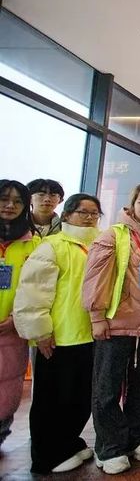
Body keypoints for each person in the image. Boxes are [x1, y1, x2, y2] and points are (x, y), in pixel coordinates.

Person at [82, 184, 140, 474]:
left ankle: (135, 437)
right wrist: (97, 316)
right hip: (116, 324)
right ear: (132, 205)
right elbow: (95, 278)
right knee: (107, 388)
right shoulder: (114, 235)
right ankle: (109, 447)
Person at [14, 193, 102, 474]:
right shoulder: (53, 246)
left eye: (94, 213)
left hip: (92, 334)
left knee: (80, 396)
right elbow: (33, 293)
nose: (89, 217)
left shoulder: (101, 245)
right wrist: (40, 331)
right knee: (52, 398)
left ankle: (70, 443)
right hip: (59, 336)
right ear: (66, 215)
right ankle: (46, 456)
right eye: (82, 212)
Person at [0, 181, 39, 448]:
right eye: (4, 199)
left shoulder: (32, 243)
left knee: (9, 381)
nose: (10, 206)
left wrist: (16, 318)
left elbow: (37, 287)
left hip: (14, 326)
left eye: (17, 201)